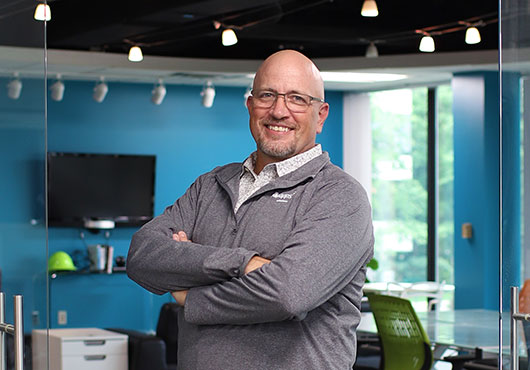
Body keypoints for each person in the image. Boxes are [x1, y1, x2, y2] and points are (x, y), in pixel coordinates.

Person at [127, 49, 374, 370]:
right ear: (250, 105)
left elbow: (288, 293)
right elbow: (142, 256)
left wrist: (191, 296)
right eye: (267, 95)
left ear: (321, 115)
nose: (279, 110)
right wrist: (242, 264)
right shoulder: (210, 184)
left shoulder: (339, 195)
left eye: (297, 99)